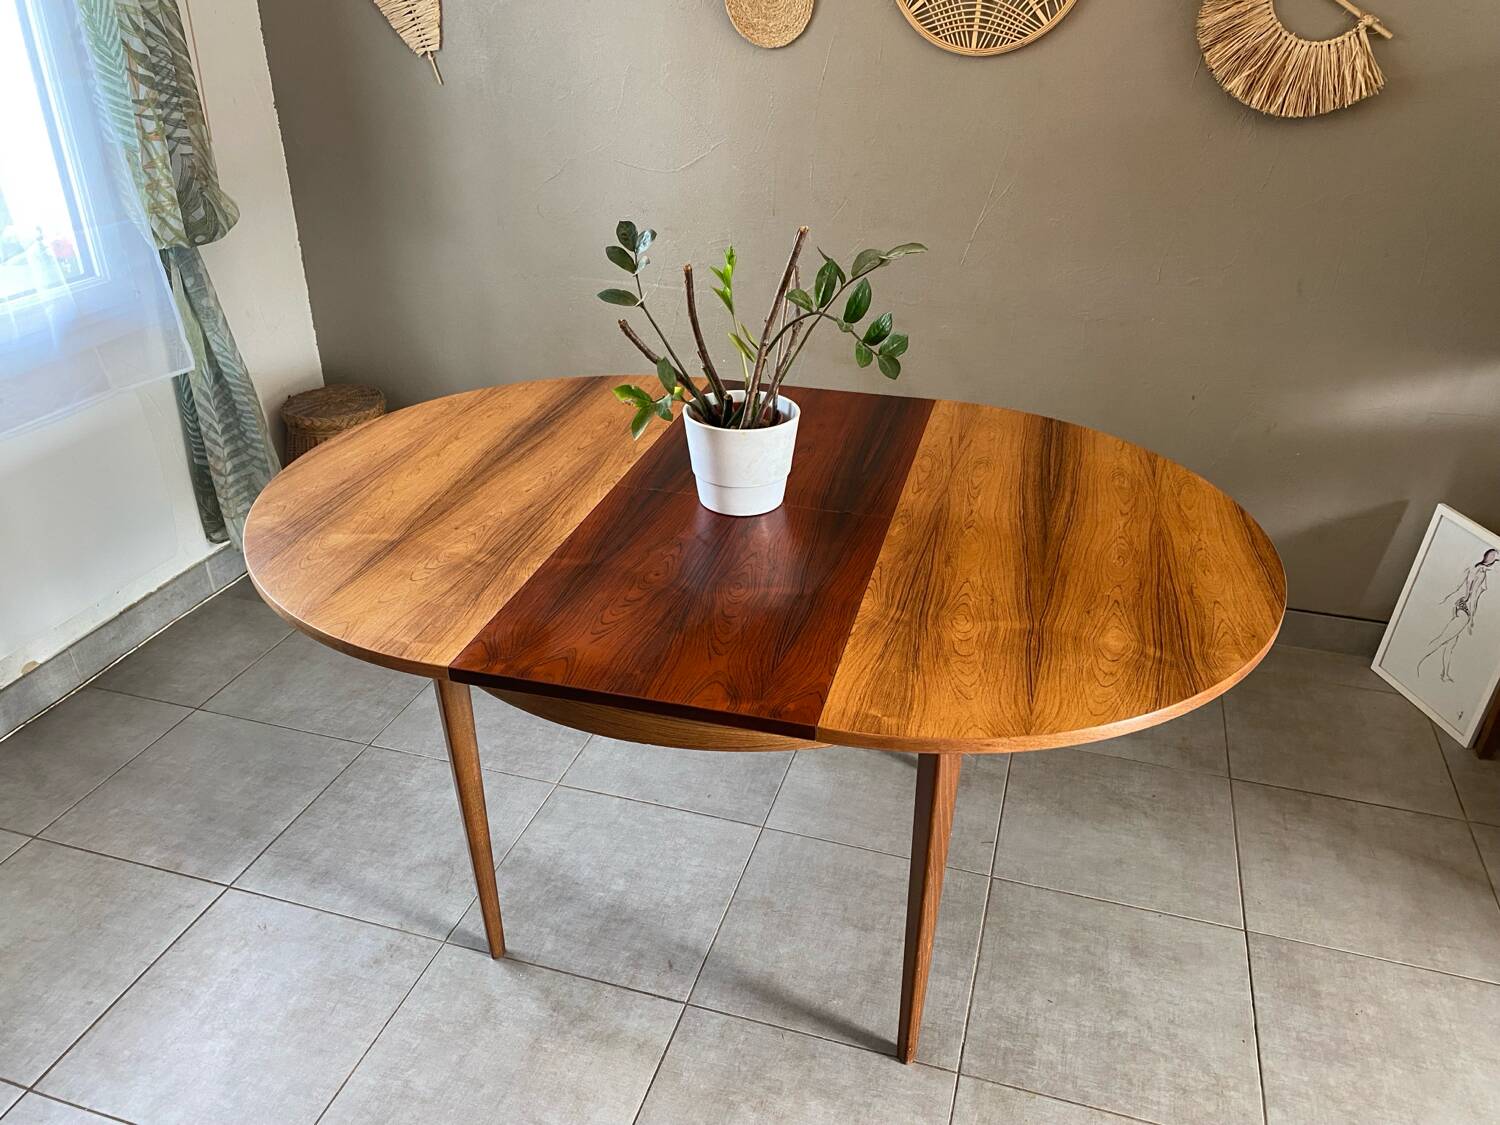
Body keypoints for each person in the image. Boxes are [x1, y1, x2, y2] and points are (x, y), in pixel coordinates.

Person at [1418, 548, 1499, 683]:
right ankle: (1418, 660)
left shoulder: (1475, 569)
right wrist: (1471, 618)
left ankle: (1444, 674)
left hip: (1459, 606)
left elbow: (1465, 589)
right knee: (1442, 639)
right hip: (1465, 610)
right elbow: (1473, 597)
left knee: (1450, 644)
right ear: (1490, 560)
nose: (1495, 564)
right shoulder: (1481, 573)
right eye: (1495, 560)